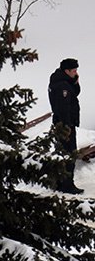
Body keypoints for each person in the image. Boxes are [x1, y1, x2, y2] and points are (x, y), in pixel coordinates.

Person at [49, 57, 83, 195]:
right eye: (74, 70)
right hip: (64, 125)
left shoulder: (61, 81)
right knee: (69, 154)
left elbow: (73, 94)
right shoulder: (61, 85)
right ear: (66, 70)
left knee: (63, 153)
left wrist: (75, 83)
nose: (76, 73)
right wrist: (67, 127)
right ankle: (67, 185)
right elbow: (63, 108)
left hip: (62, 124)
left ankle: (60, 182)